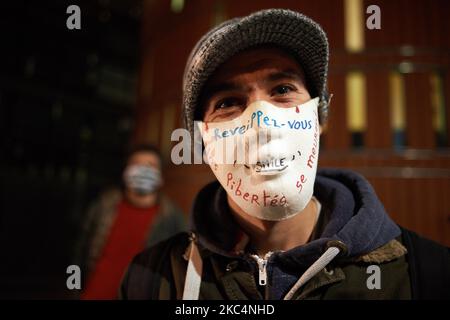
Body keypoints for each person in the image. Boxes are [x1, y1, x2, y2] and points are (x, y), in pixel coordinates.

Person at [120, 9, 450, 300]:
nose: (261, 121)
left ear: (319, 117)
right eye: (228, 102)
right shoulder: (151, 280)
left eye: (282, 90)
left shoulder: (427, 274)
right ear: (203, 139)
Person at [76, 144, 187, 299]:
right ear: (125, 172)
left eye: (150, 166)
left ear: (161, 178)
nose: (143, 170)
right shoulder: (104, 204)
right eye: (136, 164)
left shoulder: (172, 217)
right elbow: (79, 251)